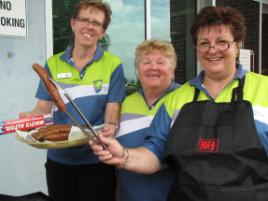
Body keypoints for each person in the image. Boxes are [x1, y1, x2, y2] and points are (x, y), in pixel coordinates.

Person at [90, 6, 268, 201]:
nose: (212, 50)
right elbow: (156, 153)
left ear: (237, 45)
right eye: (204, 43)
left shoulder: (264, 89)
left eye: (222, 42)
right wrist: (123, 155)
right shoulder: (176, 100)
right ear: (196, 49)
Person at [20, 1, 125, 201]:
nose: (89, 26)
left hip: (97, 158)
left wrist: (111, 125)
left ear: (102, 32)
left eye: (96, 23)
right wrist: (29, 119)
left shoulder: (114, 65)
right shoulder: (52, 64)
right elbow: (42, 108)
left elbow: (112, 110)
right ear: (73, 24)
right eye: (84, 19)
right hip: (58, 159)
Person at [115, 39, 180, 201]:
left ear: (172, 70)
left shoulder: (184, 99)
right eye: (146, 62)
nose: (153, 67)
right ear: (137, 71)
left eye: (161, 62)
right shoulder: (126, 103)